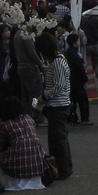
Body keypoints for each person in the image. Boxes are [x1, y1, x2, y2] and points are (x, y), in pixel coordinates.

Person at [37, 32, 72, 180]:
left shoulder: (57, 62)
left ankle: (62, 170)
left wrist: (44, 97)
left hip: (58, 105)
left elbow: (58, 84)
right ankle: (64, 168)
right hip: (59, 104)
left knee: (57, 140)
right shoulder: (58, 60)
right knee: (60, 139)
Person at [0, 96, 49, 191]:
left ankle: (9, 181)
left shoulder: (5, 125)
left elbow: (1, 146)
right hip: (36, 162)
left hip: (18, 164)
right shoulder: (28, 118)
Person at [14, 23, 45, 123]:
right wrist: (40, 64)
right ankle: (37, 117)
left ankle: (26, 116)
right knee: (35, 93)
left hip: (21, 67)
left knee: (26, 95)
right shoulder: (26, 35)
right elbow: (32, 52)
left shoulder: (17, 34)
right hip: (30, 67)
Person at [65, 33, 91, 126]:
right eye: (78, 41)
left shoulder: (65, 54)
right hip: (78, 81)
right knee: (83, 101)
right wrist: (85, 78)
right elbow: (80, 68)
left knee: (72, 101)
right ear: (74, 43)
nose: (79, 42)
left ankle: (72, 118)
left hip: (69, 81)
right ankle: (85, 119)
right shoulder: (76, 55)